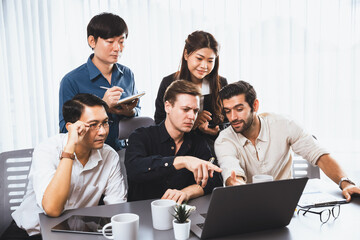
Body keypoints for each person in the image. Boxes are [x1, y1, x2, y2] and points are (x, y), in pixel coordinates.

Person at [4, 94, 127, 239]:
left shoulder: (109, 155)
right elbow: (52, 209)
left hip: (76, 233)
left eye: (105, 122)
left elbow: (116, 208)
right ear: (71, 127)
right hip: (32, 232)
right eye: (93, 125)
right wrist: (70, 148)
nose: (102, 131)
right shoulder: (47, 150)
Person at [215, 80, 360, 201]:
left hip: (286, 203)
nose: (232, 117)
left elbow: (319, 155)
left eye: (239, 109)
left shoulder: (284, 124)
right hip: (247, 204)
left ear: (255, 105)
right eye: (227, 111)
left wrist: (346, 183)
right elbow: (231, 171)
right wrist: (236, 184)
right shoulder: (224, 140)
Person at [126, 80, 223, 203]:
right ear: (168, 107)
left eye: (195, 111)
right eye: (185, 109)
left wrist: (186, 192)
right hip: (143, 213)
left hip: (183, 213)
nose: (192, 116)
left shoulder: (198, 142)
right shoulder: (141, 136)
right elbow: (135, 169)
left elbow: (215, 179)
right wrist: (183, 161)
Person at [59, 12, 140, 151]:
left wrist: (129, 112)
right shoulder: (71, 81)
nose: (117, 48)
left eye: (121, 41)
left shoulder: (127, 74)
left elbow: (137, 113)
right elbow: (65, 130)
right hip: (89, 155)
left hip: (123, 153)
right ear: (92, 41)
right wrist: (104, 107)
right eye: (110, 42)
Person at [154, 31, 228, 141]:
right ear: (186, 54)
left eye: (210, 61)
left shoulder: (221, 83)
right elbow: (159, 122)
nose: (204, 66)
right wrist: (192, 122)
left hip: (212, 143)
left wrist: (216, 131)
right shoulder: (169, 82)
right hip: (178, 143)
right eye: (199, 58)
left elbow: (228, 122)